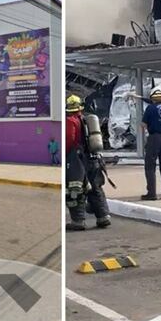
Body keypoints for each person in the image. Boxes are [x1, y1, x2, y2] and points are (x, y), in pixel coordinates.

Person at [65, 94, 111, 231]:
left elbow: (70, 140)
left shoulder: (71, 121)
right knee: (96, 189)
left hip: (78, 161)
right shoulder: (86, 120)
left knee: (75, 190)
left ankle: (78, 221)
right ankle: (103, 217)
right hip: (93, 159)